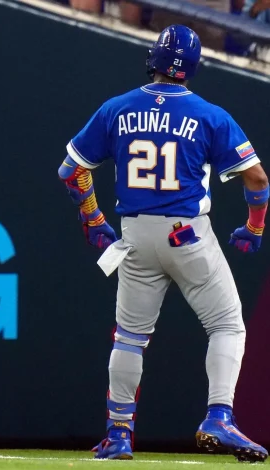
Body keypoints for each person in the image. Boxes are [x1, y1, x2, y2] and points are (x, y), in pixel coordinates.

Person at [57, 24, 269, 462]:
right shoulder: (210, 114)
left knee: (130, 337)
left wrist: (94, 217)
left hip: (135, 235)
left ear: (152, 58)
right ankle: (219, 416)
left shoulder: (118, 108)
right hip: (187, 233)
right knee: (227, 325)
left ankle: (118, 433)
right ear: (193, 67)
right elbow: (257, 179)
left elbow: (72, 171)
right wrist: (255, 226)